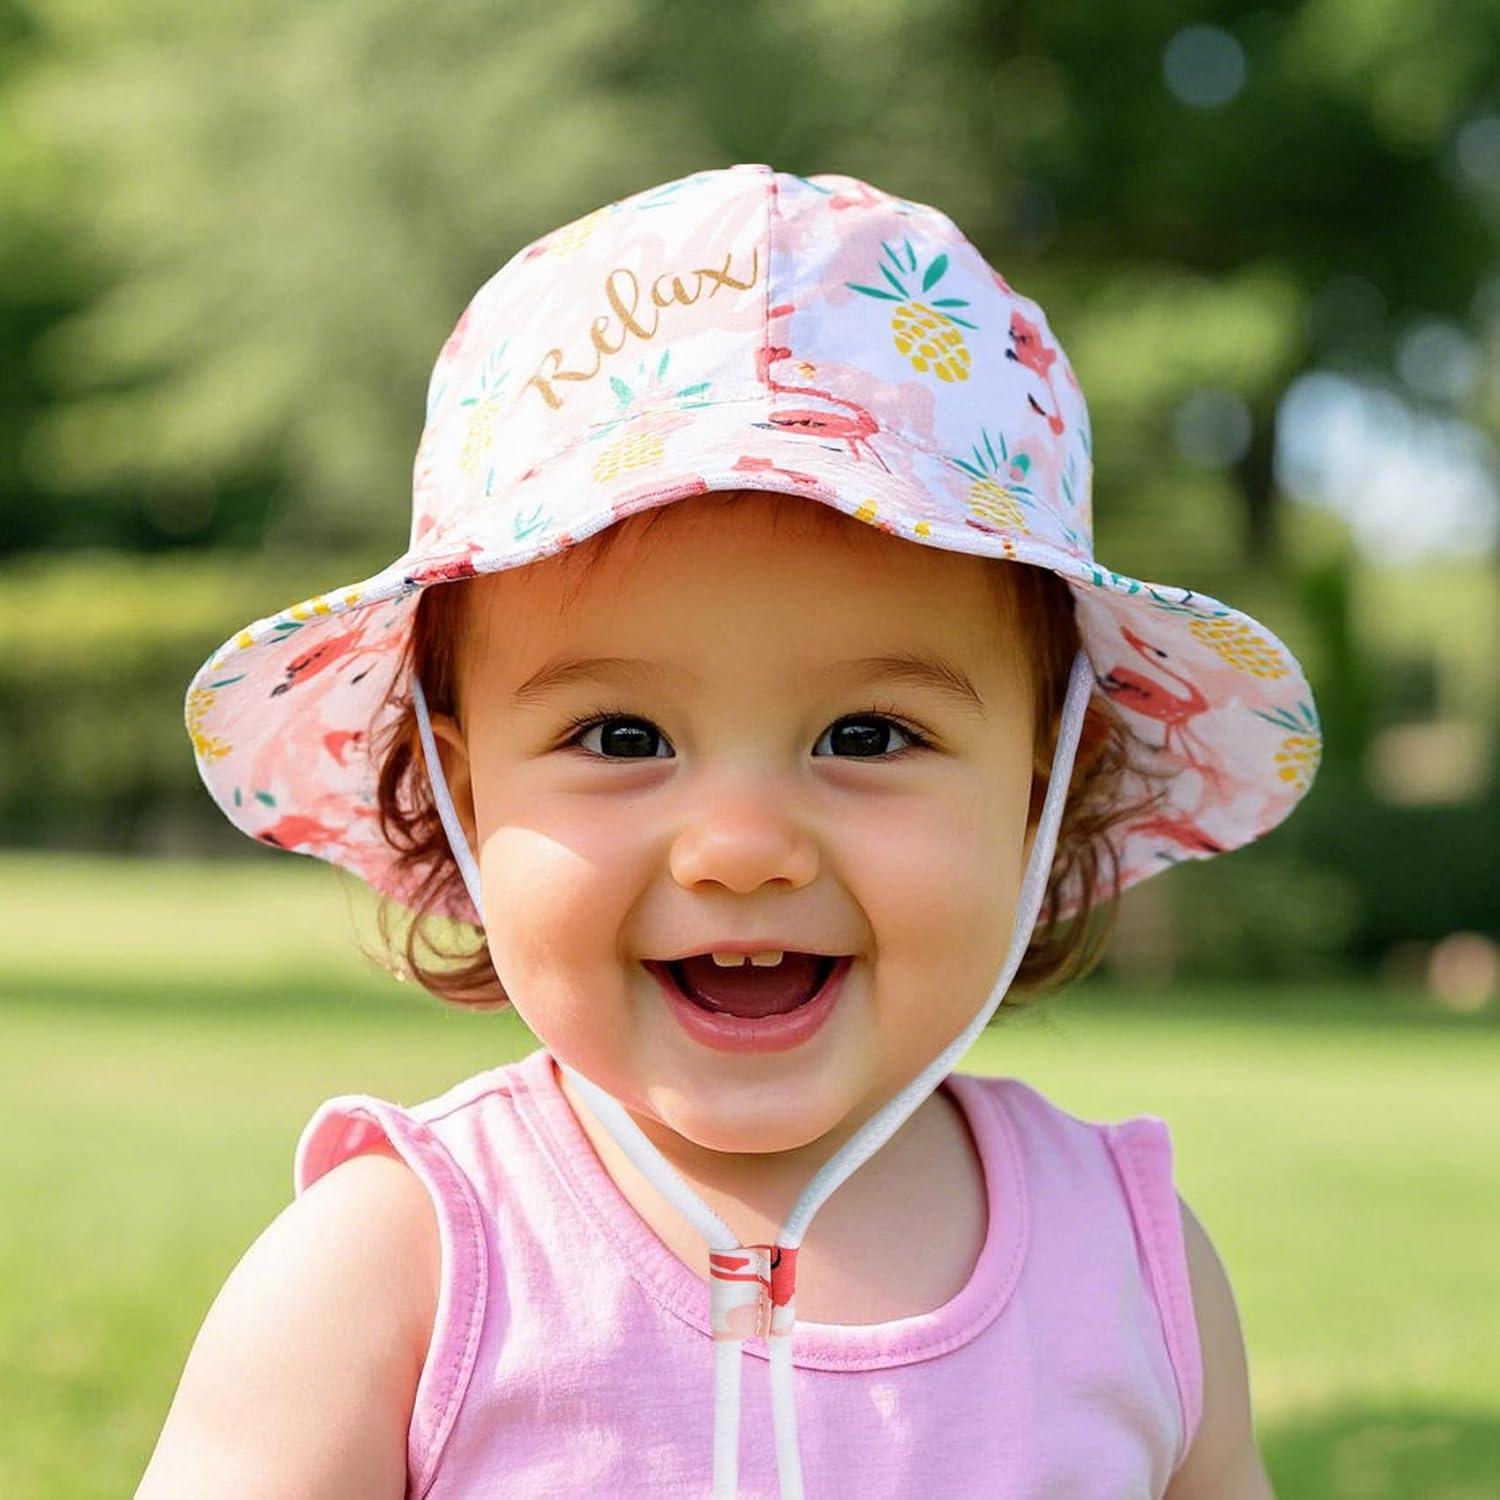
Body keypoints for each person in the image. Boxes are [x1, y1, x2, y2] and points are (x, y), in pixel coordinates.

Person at [142, 164, 1317, 1498]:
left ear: (1046, 789)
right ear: (464, 800)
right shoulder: (393, 1269)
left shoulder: (1128, 1264)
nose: (743, 846)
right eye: (621, 738)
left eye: (869, 736)